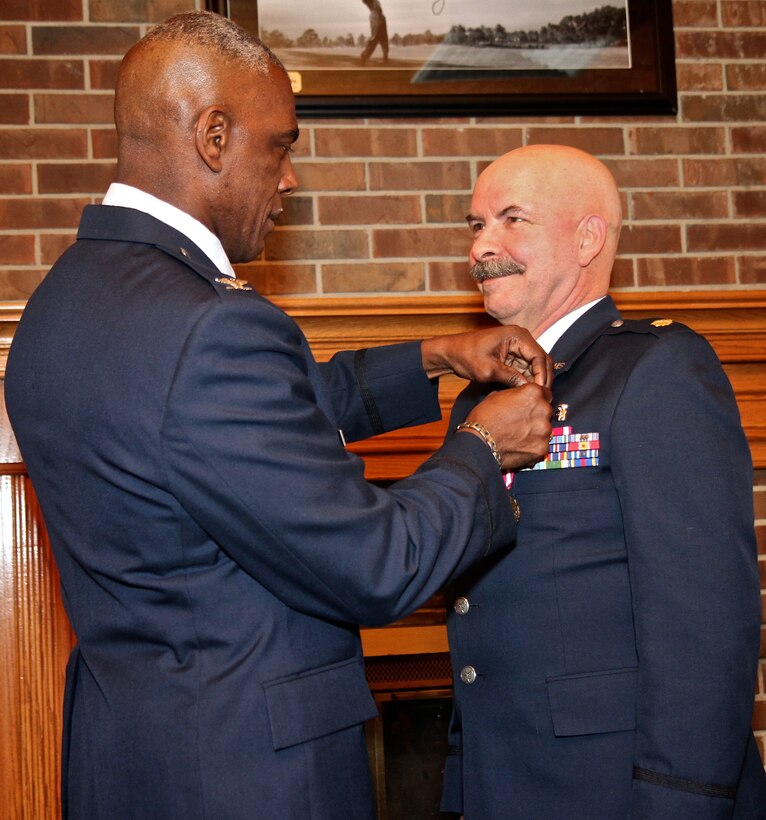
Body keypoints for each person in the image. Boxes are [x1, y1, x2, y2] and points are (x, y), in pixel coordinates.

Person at [3, 12, 555, 820]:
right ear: (214, 136)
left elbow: (228, 433)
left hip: (130, 758)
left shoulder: (64, 303)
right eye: (282, 145)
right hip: (251, 775)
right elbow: (378, 563)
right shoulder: (209, 326)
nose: (290, 179)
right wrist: (480, 445)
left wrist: (435, 355)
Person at [440, 144, 766, 819]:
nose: (482, 248)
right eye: (476, 226)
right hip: (507, 780)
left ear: (587, 238)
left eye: (511, 220)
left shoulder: (653, 371)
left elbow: (704, 625)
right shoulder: (483, 398)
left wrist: (681, 803)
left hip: (616, 788)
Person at [360, 0, 389, 65]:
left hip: (380, 16)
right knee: (375, 37)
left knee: (384, 39)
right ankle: (364, 56)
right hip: (375, 16)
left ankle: (385, 59)